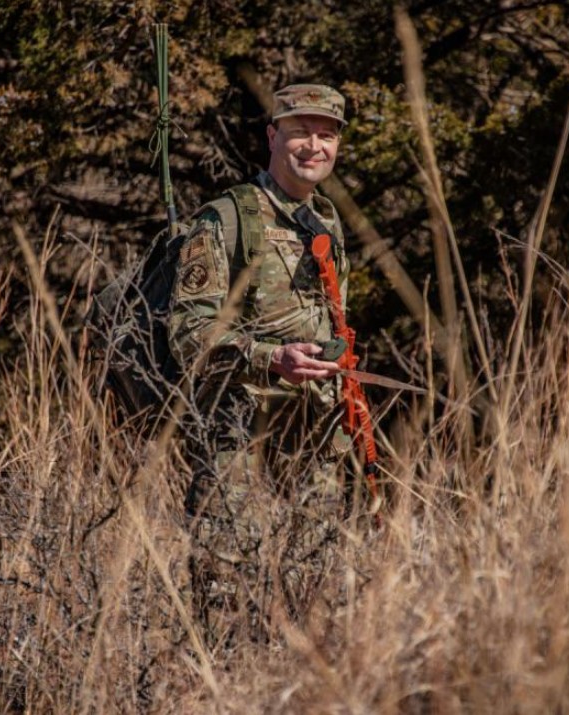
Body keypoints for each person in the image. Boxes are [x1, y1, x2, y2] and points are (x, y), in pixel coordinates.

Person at [168, 84, 354, 643]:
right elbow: (186, 331)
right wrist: (270, 357)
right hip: (237, 435)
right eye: (300, 132)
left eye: (326, 136)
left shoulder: (327, 222)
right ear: (273, 136)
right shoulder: (226, 218)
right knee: (227, 594)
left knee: (313, 594)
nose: (313, 147)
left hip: (314, 438)